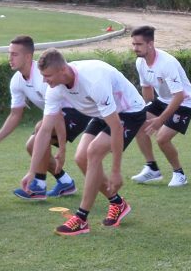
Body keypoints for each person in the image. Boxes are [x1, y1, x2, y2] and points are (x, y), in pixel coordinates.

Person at [21, 48, 146, 236]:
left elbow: (116, 127)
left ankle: (81, 219)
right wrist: (32, 171)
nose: (45, 81)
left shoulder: (94, 80)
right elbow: (45, 131)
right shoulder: (54, 88)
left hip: (130, 112)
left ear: (63, 70)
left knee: (93, 152)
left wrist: (116, 171)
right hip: (101, 112)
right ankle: (118, 204)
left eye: (48, 76)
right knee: (81, 158)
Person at [0, 35, 88, 199]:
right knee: (32, 146)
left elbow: (56, 115)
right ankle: (65, 182)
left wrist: (62, 148)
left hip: (77, 112)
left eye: (15, 54)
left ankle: (39, 186)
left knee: (38, 133)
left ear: (28, 57)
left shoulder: (43, 76)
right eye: (9, 53)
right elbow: (15, 115)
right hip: (56, 116)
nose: (10, 58)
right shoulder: (16, 81)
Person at [128, 25, 191, 187]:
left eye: (138, 44)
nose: (135, 48)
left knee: (162, 139)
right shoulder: (140, 62)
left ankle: (179, 174)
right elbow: (146, 88)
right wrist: (146, 111)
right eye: (133, 44)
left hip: (185, 102)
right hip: (164, 99)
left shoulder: (167, 63)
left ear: (150, 44)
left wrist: (160, 120)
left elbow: (179, 96)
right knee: (138, 123)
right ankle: (152, 168)